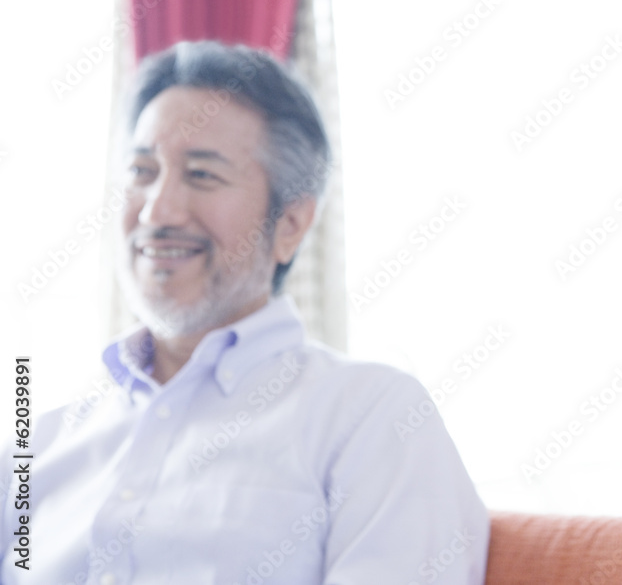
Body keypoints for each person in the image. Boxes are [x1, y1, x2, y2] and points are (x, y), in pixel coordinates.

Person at [0, 41, 489, 584]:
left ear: (291, 226)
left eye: (203, 175)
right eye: (142, 171)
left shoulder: (373, 415)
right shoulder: (37, 442)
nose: (158, 210)